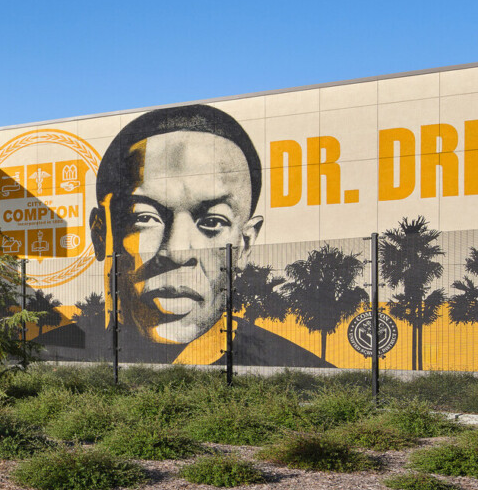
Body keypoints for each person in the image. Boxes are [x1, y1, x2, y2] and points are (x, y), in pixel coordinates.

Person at [89, 103, 328, 369]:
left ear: (244, 245)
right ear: (100, 235)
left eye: (213, 222)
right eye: (144, 218)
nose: (179, 252)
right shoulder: (66, 350)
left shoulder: (295, 372)